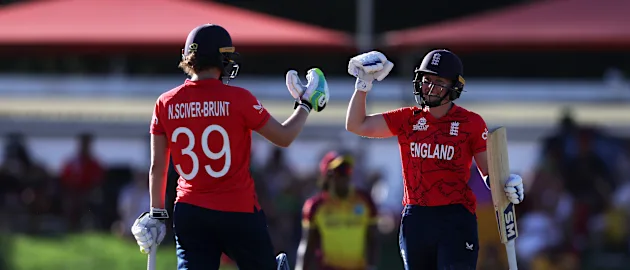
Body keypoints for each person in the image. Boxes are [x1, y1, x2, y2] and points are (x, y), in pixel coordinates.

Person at [130, 23, 329, 270]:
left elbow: (157, 167)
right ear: (219, 57)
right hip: (238, 210)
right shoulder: (239, 98)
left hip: (191, 211)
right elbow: (284, 137)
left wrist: (157, 214)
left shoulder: (165, 102)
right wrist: (306, 105)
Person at [345, 50, 525, 269]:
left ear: (454, 87)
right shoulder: (407, 118)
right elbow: (356, 124)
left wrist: (507, 183)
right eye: (426, 80)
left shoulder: (471, 123)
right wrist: (363, 85)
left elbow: (489, 174)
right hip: (416, 217)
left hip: (456, 217)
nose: (429, 87)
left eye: (438, 82)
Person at [296, 151, 379, 270]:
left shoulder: (365, 201)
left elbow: (373, 239)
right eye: (338, 172)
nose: (344, 176)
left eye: (347, 170)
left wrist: (372, 267)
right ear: (327, 176)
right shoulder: (315, 206)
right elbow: (307, 244)